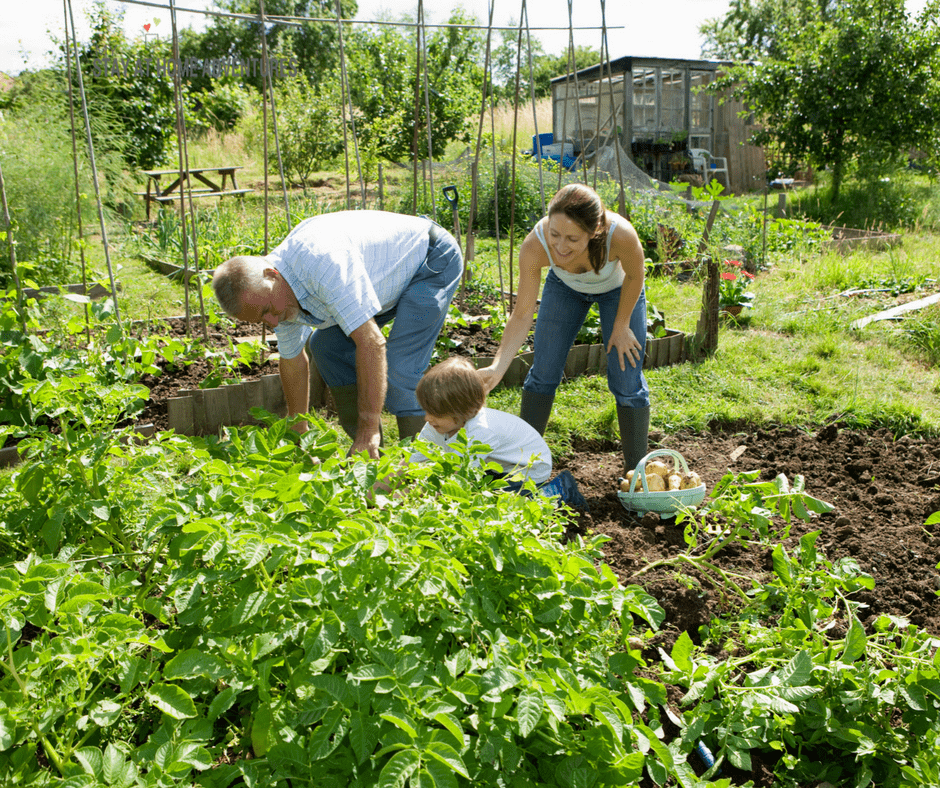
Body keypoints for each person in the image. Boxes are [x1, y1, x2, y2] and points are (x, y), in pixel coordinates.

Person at [211, 210, 463, 459]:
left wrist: (369, 427)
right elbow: (293, 360)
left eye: (268, 311)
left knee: (400, 368)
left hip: (429, 261)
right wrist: (298, 431)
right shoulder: (272, 296)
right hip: (384, 279)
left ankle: (422, 464)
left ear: (272, 275)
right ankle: (369, 457)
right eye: (261, 320)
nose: (273, 321)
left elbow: (371, 343)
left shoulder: (322, 264)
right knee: (327, 346)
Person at [477, 183, 650, 475]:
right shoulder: (535, 245)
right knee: (543, 371)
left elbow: (635, 275)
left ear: (595, 230)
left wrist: (621, 325)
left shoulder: (620, 235)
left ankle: (637, 474)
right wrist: (498, 365)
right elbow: (521, 315)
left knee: (626, 377)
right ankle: (524, 461)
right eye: (554, 233)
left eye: (572, 238)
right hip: (565, 288)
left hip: (618, 290)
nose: (560, 246)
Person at [409, 356, 586, 507]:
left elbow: (456, 482)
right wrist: (383, 492)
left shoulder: (481, 432)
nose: (427, 418)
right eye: (426, 410)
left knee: (501, 507)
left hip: (528, 467)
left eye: (435, 414)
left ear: (461, 412)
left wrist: (419, 501)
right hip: (498, 464)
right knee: (478, 491)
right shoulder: (437, 425)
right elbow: (408, 463)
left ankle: (559, 489)